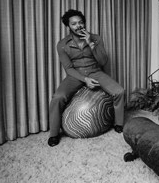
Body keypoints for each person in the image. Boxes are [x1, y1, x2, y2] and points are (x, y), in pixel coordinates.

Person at [48, 9, 126, 147]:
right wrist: (85, 80)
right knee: (57, 98)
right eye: (74, 24)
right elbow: (68, 68)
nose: (78, 26)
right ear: (68, 26)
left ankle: (118, 124)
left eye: (81, 22)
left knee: (119, 91)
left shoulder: (96, 38)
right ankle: (54, 134)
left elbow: (103, 61)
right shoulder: (62, 44)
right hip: (76, 75)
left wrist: (91, 43)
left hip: (95, 71)